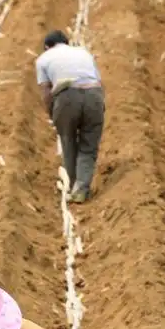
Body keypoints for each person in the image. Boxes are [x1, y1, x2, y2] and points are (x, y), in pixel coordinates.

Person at [35, 29, 105, 204]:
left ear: (46, 47)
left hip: (66, 97)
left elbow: (45, 92)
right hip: (94, 95)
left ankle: (72, 184)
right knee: (89, 146)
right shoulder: (83, 52)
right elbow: (98, 81)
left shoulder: (43, 59)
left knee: (68, 140)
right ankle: (81, 189)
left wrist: (52, 113)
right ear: (67, 42)